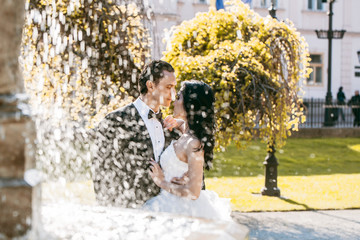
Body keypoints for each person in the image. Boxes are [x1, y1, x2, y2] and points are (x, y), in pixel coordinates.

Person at [92, 60, 182, 208]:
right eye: (168, 87)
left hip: (165, 212)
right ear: (151, 85)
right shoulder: (116, 120)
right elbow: (102, 172)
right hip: (129, 213)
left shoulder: (170, 127)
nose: (172, 95)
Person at [142, 80, 232, 221]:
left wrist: (162, 182)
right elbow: (186, 127)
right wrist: (178, 123)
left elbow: (194, 192)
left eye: (178, 97)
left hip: (182, 210)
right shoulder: (187, 133)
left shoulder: (193, 143)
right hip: (169, 202)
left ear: (189, 105)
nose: (173, 100)